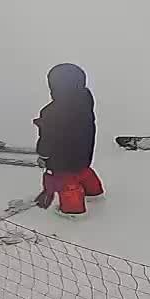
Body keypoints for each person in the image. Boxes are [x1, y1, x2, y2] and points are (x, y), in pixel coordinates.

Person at [34, 63, 103, 217]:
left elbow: (48, 138)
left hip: (62, 158)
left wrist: (43, 154)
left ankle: (73, 210)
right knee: (84, 171)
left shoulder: (51, 112)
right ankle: (94, 192)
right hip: (84, 150)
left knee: (67, 182)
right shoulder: (85, 98)